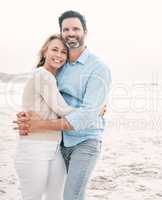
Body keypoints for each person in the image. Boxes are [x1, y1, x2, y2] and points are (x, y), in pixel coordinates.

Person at [14, 10, 112, 200]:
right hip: (59, 143)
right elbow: (48, 100)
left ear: (85, 32)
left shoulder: (98, 68)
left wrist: (94, 111)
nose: (71, 33)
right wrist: (28, 114)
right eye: (66, 29)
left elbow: (84, 115)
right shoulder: (60, 65)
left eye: (76, 28)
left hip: (85, 140)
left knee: (71, 196)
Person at [15, 34, 75, 200]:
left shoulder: (54, 79)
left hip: (55, 148)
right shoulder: (43, 75)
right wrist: (94, 110)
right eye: (54, 49)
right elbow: (63, 109)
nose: (59, 55)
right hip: (34, 147)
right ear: (44, 52)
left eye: (64, 52)